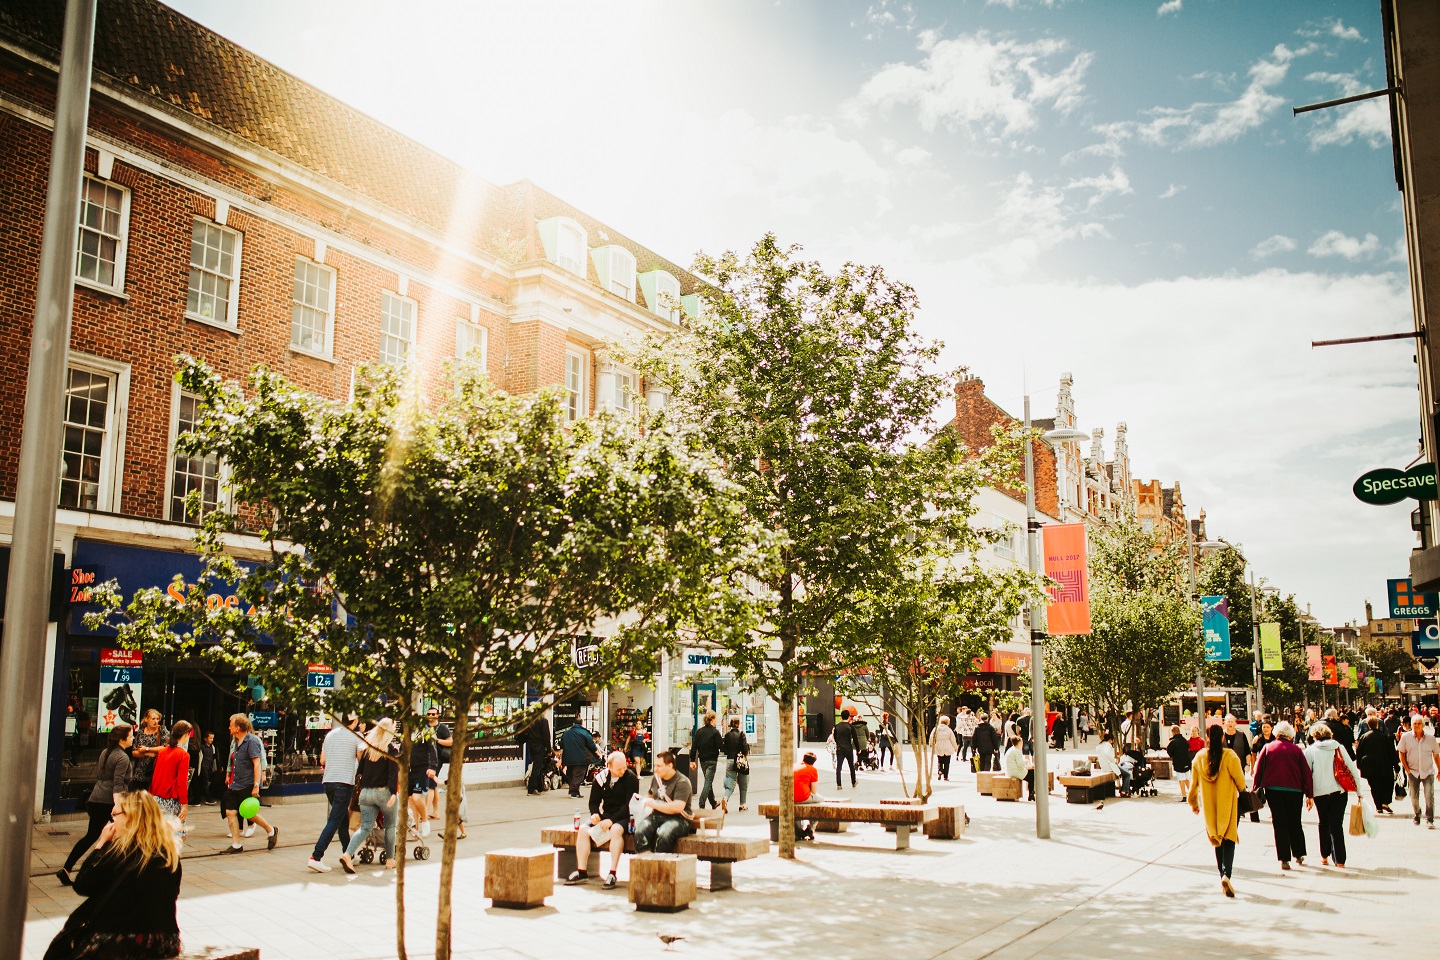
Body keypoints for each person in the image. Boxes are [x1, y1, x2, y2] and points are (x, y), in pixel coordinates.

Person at [47, 791, 182, 959]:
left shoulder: (119, 854)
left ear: (130, 817)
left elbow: (82, 884)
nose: (111, 821)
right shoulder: (169, 857)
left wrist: (101, 844)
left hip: (119, 943)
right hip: (162, 943)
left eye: (114, 815)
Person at [58, 725, 132, 886]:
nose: (133, 738)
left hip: (96, 798)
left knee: (93, 836)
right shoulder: (122, 757)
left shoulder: (106, 752)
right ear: (122, 739)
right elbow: (118, 783)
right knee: (119, 836)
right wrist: (118, 806)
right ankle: (107, 873)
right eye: (131, 736)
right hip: (109, 801)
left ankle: (67, 869)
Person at [1188, 723, 1246, 897]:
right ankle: (1226, 874)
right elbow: (1241, 783)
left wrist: (1194, 804)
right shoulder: (1230, 756)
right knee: (1229, 838)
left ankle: (1221, 875)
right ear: (1222, 737)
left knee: (1216, 840)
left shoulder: (1199, 758)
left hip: (1210, 808)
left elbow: (1193, 786)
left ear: (1207, 738)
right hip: (1228, 806)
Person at [566, 751, 639, 888]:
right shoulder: (600, 778)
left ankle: (612, 872)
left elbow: (629, 805)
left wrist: (612, 820)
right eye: (619, 769)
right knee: (583, 830)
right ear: (609, 767)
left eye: (624, 767)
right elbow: (594, 801)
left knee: (616, 830)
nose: (623, 771)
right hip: (606, 814)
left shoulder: (631, 778)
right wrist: (594, 814)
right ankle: (582, 871)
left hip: (624, 816)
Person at [340, 719, 400, 873]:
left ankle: (347, 855)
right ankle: (390, 859)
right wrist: (393, 793)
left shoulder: (368, 749)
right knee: (390, 826)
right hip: (383, 793)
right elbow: (393, 775)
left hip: (365, 793)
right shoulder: (391, 750)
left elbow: (360, 771)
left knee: (365, 827)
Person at [1251, 721, 1312, 871]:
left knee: (1279, 823)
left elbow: (1258, 770)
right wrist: (1309, 794)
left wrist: (1255, 788)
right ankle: (1299, 853)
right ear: (1290, 735)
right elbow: (1306, 773)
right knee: (1295, 822)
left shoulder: (1267, 748)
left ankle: (1284, 858)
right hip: (1294, 791)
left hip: (1274, 790)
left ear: (1276, 734)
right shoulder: (1296, 750)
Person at [308, 713, 362, 872]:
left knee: (342, 821)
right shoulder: (356, 736)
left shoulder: (330, 735)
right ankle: (316, 856)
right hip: (344, 783)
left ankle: (349, 854)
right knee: (334, 820)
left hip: (328, 781)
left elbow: (322, 760)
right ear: (355, 721)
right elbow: (361, 760)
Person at [1304, 722, 1363, 866]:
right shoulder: (1339, 747)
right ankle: (1340, 860)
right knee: (1337, 825)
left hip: (1320, 793)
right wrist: (1359, 791)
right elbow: (1352, 769)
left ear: (1314, 736)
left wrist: (1308, 795)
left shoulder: (1310, 751)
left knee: (1323, 822)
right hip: (1339, 791)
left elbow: (1306, 775)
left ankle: (1324, 855)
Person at [221, 713, 276, 854]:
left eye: (231, 725)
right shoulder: (236, 742)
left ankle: (270, 830)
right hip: (235, 783)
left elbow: (257, 763)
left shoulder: (252, 741)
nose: (229, 728)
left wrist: (256, 785)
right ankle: (236, 845)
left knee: (249, 814)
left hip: (247, 783)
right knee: (230, 812)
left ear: (238, 727)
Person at [634, 750, 693, 853]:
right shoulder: (656, 779)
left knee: (664, 833)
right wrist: (641, 802)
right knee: (640, 830)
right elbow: (650, 795)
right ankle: (646, 862)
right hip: (657, 816)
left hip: (679, 819)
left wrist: (654, 805)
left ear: (670, 766)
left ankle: (660, 864)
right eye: (655, 766)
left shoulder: (682, 782)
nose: (655, 769)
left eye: (659, 766)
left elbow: (677, 808)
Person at [148, 721, 192, 832]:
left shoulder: (162, 751)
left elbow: (155, 775)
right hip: (171, 799)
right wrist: (184, 804)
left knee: (159, 831)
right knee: (177, 834)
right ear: (186, 734)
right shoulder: (183, 755)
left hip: (156, 796)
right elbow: (182, 782)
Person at [1399, 713, 1440, 827]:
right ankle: (1417, 814)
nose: (1416, 726)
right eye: (1414, 724)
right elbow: (1401, 753)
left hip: (1427, 772)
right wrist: (1407, 770)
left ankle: (1430, 819)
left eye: (1419, 724)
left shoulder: (1430, 739)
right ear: (1411, 725)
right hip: (1413, 771)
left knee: (1429, 796)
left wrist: (1439, 770)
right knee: (1414, 798)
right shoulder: (1405, 737)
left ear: (1423, 725)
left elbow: (1436, 755)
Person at [1355, 716, 1399, 815]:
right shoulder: (1384, 737)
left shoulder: (1364, 737)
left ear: (1368, 725)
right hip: (1385, 764)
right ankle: (1385, 802)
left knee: (1374, 786)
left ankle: (1378, 806)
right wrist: (1396, 765)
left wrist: (1360, 765)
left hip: (1369, 765)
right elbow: (1391, 752)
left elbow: (1359, 752)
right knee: (1387, 783)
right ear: (1378, 724)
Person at [408, 720, 440, 839]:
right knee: (411, 800)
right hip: (409, 771)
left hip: (421, 770)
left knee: (416, 798)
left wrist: (432, 767)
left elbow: (433, 750)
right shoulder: (406, 734)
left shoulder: (425, 733)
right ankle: (415, 828)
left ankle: (425, 820)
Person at [1222, 715, 1257, 822]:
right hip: (1224, 767)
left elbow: (1247, 751)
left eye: (1232, 721)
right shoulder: (1221, 735)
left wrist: (1247, 764)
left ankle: (1239, 808)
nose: (1230, 723)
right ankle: (1228, 808)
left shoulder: (1241, 735)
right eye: (1228, 721)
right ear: (1225, 723)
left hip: (1239, 766)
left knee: (1239, 787)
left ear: (1235, 723)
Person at [691, 710, 724, 809]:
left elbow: (694, 747)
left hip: (702, 761)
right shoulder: (715, 732)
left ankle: (713, 802)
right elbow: (721, 747)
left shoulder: (699, 732)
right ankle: (701, 802)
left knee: (707, 781)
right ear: (712, 719)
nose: (716, 721)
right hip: (712, 760)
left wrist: (692, 760)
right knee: (708, 782)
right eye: (715, 719)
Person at [559, 718, 600, 799]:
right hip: (581, 757)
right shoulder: (585, 733)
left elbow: (561, 744)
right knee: (579, 775)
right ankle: (574, 792)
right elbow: (591, 745)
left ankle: (573, 791)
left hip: (568, 757)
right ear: (582, 724)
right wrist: (597, 753)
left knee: (570, 774)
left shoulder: (566, 733)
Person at [425, 706, 453, 821]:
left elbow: (450, 742)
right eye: (429, 714)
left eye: (433, 714)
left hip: (437, 760)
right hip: (425, 759)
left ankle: (425, 812)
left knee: (430, 785)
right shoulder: (424, 727)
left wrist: (437, 740)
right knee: (433, 785)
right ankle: (436, 811)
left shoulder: (442, 728)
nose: (431, 716)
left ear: (437, 715)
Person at [130, 708, 166, 792]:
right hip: (140, 771)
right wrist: (147, 753)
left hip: (156, 769)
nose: (156, 721)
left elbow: (165, 747)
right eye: (153, 719)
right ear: (146, 719)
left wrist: (146, 749)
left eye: (157, 719)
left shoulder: (162, 730)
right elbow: (134, 752)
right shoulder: (140, 732)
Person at [721, 716, 751, 811]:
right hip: (740, 760)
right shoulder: (741, 734)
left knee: (730, 781)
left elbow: (724, 748)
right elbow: (745, 748)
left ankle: (725, 798)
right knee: (743, 783)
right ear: (738, 724)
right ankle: (742, 804)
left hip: (730, 759)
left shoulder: (727, 735)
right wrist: (745, 755)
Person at [520, 713, 552, 795]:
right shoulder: (543, 721)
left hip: (531, 746)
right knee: (537, 767)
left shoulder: (531, 721)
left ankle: (539, 787)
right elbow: (546, 736)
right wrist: (549, 750)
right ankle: (532, 788)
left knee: (538, 766)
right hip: (539, 746)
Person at [793, 751, 821, 840]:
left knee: (797, 805)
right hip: (803, 797)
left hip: (790, 796)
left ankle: (799, 830)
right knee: (820, 801)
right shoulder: (812, 770)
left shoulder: (794, 766)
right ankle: (811, 828)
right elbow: (814, 791)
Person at [832, 709, 860, 789]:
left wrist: (838, 744)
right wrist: (858, 749)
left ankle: (839, 784)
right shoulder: (850, 727)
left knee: (839, 767)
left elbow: (835, 737)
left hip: (840, 749)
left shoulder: (837, 726)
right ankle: (853, 782)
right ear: (848, 717)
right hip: (848, 749)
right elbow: (855, 738)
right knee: (851, 766)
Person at [1166, 725, 1193, 804]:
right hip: (1186, 762)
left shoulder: (1173, 742)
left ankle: (1184, 796)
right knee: (1187, 779)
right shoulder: (1184, 740)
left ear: (1173, 732)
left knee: (1181, 780)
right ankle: (1192, 794)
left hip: (1178, 763)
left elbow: (1169, 752)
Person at [1003, 735, 1034, 800]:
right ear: (1019, 743)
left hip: (1011, 771)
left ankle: (1031, 794)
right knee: (1032, 774)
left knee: (1030, 773)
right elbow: (1020, 764)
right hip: (1015, 772)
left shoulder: (1011, 749)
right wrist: (1026, 761)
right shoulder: (1016, 751)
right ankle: (1031, 794)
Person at [930, 715, 959, 781]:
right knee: (947, 762)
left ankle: (940, 770)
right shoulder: (949, 730)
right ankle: (945, 776)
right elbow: (953, 740)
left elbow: (932, 737)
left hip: (939, 746)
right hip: (947, 747)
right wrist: (955, 747)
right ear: (948, 722)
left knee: (940, 760)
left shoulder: (936, 729)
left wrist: (931, 744)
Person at [1096, 729, 1125, 794]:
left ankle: (1120, 787)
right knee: (1126, 773)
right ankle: (1123, 790)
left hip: (1103, 766)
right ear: (1110, 740)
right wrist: (1114, 761)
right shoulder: (1107, 745)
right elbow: (1107, 753)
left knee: (1120, 771)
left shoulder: (1101, 746)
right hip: (1109, 766)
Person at [194, 730, 216, 805]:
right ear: (205, 739)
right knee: (205, 783)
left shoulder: (212, 747)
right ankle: (208, 798)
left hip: (209, 767)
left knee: (205, 783)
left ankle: (200, 797)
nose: (211, 740)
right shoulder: (202, 747)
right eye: (210, 738)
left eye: (212, 738)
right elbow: (200, 758)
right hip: (203, 767)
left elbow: (214, 757)